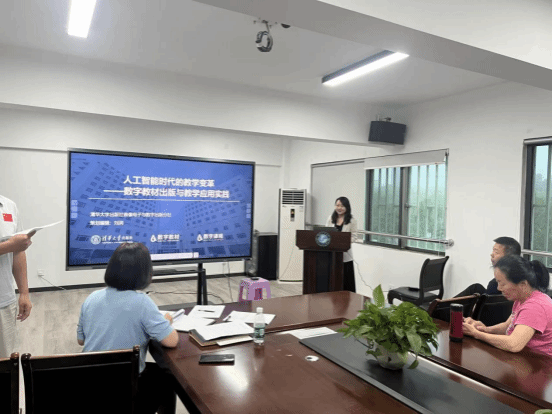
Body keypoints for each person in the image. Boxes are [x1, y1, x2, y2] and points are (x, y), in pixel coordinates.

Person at [77, 242, 179, 414]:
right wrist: (166, 322)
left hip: (89, 383)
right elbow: (172, 341)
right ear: (145, 273)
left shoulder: (92, 297)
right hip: (126, 389)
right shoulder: (142, 302)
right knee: (168, 377)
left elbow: (81, 340)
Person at [463, 255, 552, 357]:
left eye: (502, 284)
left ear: (523, 284)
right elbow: (507, 326)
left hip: (540, 362)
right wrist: (485, 329)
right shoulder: (521, 299)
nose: (499, 288)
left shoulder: (535, 306)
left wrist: (476, 334)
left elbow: (513, 344)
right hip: (525, 357)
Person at [0, 195, 33, 358]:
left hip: (4, 301)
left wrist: (24, 293)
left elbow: (18, 251)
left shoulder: (9, 206)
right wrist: (9, 246)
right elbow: (12, 246)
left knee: (6, 361)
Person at [454, 236, 522, 297]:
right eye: (493, 250)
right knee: (476, 288)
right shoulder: (522, 274)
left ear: (509, 258)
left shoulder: (495, 284)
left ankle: (447, 305)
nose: (492, 254)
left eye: (496, 252)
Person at [325, 197, 358, 292]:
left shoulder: (352, 220)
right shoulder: (331, 218)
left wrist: (343, 242)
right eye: (337, 205)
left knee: (346, 281)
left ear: (347, 207)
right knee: (332, 280)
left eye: (342, 206)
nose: (339, 208)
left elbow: (354, 236)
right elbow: (325, 233)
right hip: (331, 254)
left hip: (345, 254)